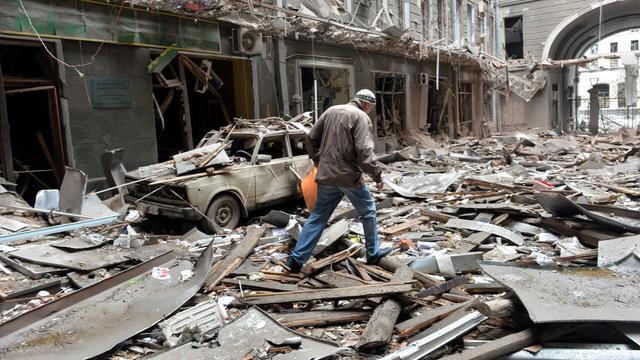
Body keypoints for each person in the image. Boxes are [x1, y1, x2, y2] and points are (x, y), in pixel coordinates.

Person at [285, 89, 392, 272]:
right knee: (368, 211)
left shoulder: (331, 111)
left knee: (318, 217)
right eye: (371, 108)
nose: (369, 111)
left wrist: (317, 159)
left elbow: (310, 138)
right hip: (348, 176)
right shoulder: (361, 117)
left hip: (327, 175)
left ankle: (296, 260)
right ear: (367, 104)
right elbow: (364, 150)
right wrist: (377, 175)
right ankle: (373, 252)